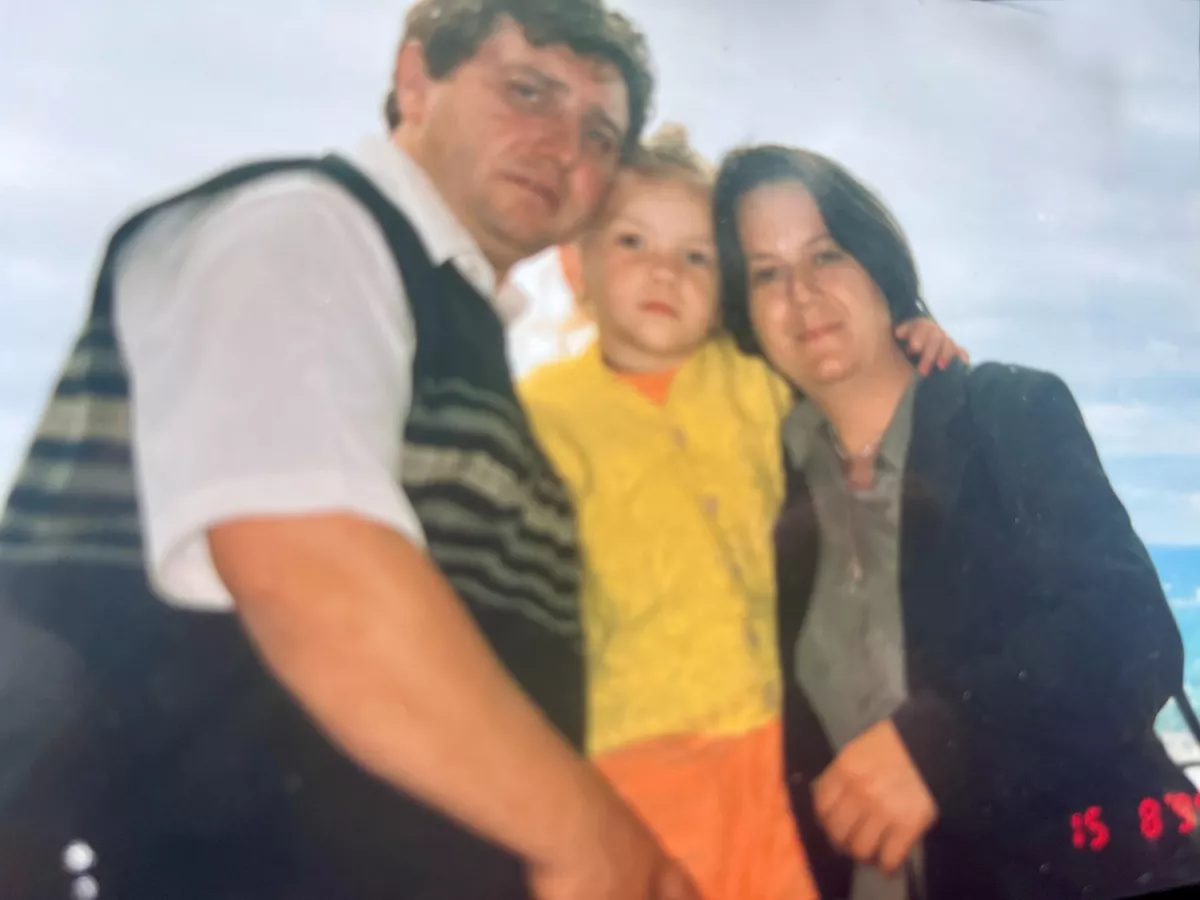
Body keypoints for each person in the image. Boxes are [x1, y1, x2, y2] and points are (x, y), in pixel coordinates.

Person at [0, 2, 701, 899]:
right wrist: (593, 838)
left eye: (600, 134)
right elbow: (312, 571)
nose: (565, 147)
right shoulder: (303, 228)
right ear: (416, 81)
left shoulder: (460, 335)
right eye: (528, 91)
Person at [711, 143, 1200, 900]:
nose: (801, 294)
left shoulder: (1006, 412)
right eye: (766, 273)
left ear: (878, 263)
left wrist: (940, 744)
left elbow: (1129, 635)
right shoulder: (756, 497)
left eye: (826, 255)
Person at [519, 126, 966, 900]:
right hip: (629, 762)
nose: (665, 272)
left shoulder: (751, 386)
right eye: (632, 242)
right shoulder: (541, 413)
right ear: (574, 263)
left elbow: (845, 380)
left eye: (695, 255)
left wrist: (914, 339)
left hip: (771, 764)